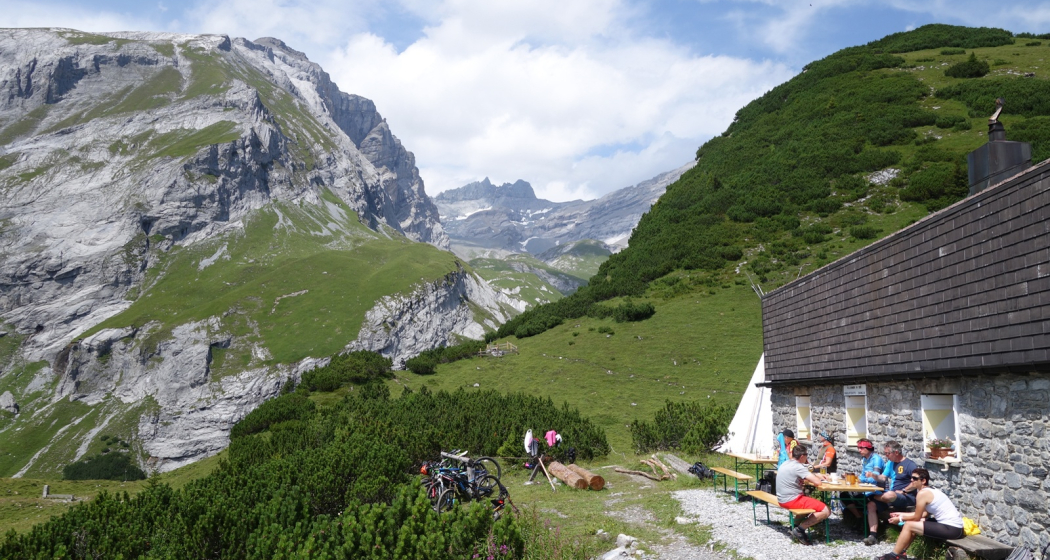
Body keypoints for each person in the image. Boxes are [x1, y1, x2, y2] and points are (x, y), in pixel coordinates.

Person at [876, 468, 964, 560]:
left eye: (914, 478)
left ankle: (893, 556)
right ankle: (901, 553)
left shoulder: (923, 493)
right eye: (911, 477)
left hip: (952, 529)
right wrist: (900, 514)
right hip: (953, 528)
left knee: (909, 525)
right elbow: (924, 514)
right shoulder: (929, 491)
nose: (911, 480)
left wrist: (901, 519)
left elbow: (916, 517)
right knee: (915, 524)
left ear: (923, 481)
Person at [864, 440, 918, 546]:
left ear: (896, 452)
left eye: (888, 453)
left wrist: (904, 490)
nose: (886, 456)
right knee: (871, 505)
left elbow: (917, 482)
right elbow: (883, 478)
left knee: (889, 494)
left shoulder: (910, 465)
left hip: (906, 497)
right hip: (891, 496)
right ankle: (873, 536)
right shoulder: (890, 463)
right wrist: (873, 476)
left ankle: (873, 496)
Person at [776, 445, 830, 545]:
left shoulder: (786, 463)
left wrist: (814, 475)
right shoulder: (798, 467)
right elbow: (817, 483)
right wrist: (817, 477)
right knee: (826, 510)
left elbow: (802, 472)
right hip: (792, 499)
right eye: (806, 455)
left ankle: (794, 526)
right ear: (802, 456)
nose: (807, 458)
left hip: (781, 498)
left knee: (807, 501)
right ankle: (800, 529)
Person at [844, 438, 886, 536]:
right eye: (858, 448)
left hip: (877, 490)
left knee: (858, 497)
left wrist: (863, 479)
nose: (859, 450)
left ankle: (864, 524)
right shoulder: (864, 459)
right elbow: (863, 476)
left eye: (862, 448)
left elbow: (875, 477)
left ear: (868, 448)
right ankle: (859, 518)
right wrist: (855, 478)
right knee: (844, 494)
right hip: (866, 488)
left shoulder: (876, 459)